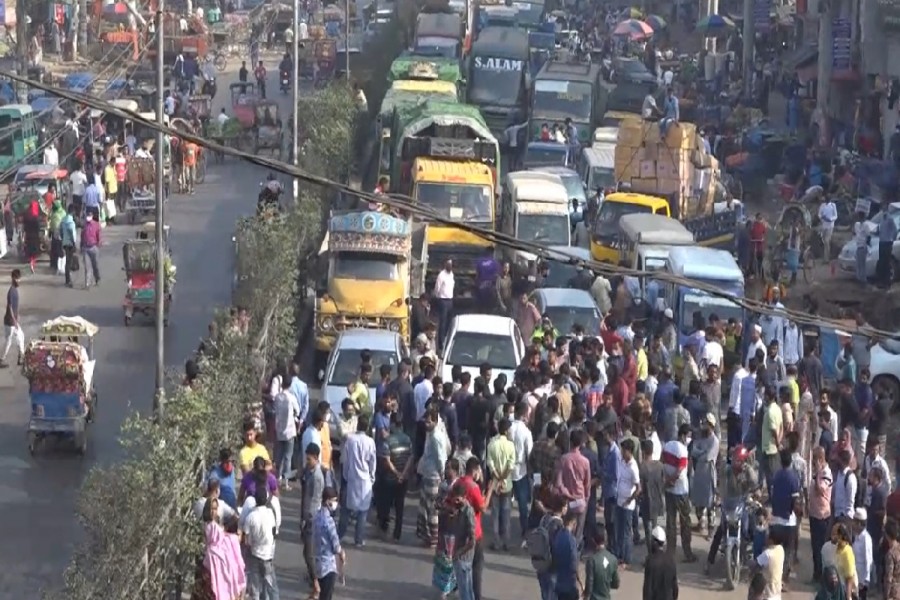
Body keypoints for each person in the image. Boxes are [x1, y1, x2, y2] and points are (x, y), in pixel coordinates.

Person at [339, 414, 376, 545]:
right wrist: (372, 477)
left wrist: (345, 475)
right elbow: (372, 462)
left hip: (352, 478)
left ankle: (339, 535)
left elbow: (346, 460)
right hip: (365, 479)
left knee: (346, 510)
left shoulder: (351, 440)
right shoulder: (370, 442)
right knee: (363, 512)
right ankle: (358, 539)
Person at [241, 487, 280, 600]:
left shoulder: (251, 517)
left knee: (255, 588)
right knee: (272, 587)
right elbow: (274, 532)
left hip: (254, 554)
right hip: (268, 556)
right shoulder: (270, 514)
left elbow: (247, 540)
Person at [312, 487, 345, 600]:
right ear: (327, 501)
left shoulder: (317, 516)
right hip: (328, 566)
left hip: (318, 564)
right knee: (327, 596)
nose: (335, 503)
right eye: (334, 500)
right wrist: (341, 553)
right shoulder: (329, 521)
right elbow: (336, 545)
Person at [552, 511, 583, 600]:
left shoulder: (558, 535)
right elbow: (574, 564)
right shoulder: (571, 540)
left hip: (559, 582)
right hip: (569, 584)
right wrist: (580, 581)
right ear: (573, 523)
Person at [643, 526, 679, 600]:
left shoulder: (650, 561)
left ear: (654, 542)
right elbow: (675, 587)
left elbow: (648, 589)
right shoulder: (671, 560)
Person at [583, 528, 620, 600]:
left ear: (593, 540)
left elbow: (590, 583)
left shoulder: (591, 560)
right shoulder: (613, 559)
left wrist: (586, 597)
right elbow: (616, 584)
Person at [0, 269, 24, 368]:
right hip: (10, 321)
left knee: (20, 336)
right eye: (17, 279)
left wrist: (17, 317)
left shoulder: (15, 290)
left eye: (19, 279)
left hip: (12, 320)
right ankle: (2, 359)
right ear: (13, 278)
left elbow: (14, 307)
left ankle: (20, 357)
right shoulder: (11, 291)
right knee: (9, 341)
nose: (19, 281)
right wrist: (14, 320)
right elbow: (9, 307)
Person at [753, 529, 785, 600]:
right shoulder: (781, 549)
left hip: (767, 593)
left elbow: (755, 564)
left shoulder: (768, 553)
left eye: (767, 536)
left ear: (771, 540)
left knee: (756, 582)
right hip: (777, 592)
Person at [80, 211, 101, 288]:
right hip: (86, 248)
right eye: (87, 216)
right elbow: (82, 236)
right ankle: (87, 283)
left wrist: (98, 243)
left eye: (89, 215)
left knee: (95, 265)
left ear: (92, 216)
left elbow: (98, 235)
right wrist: (81, 246)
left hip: (93, 247)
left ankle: (97, 278)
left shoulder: (96, 225)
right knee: (87, 266)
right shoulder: (84, 225)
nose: (88, 217)